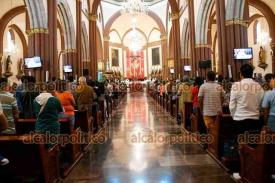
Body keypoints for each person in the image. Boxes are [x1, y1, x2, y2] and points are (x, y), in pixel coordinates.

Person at [229, 64, 264, 134]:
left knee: (240, 143)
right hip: (255, 120)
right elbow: (261, 104)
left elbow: (232, 106)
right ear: (252, 74)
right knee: (253, 144)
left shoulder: (236, 85)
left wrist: (234, 116)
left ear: (241, 74)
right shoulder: (258, 86)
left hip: (239, 120)